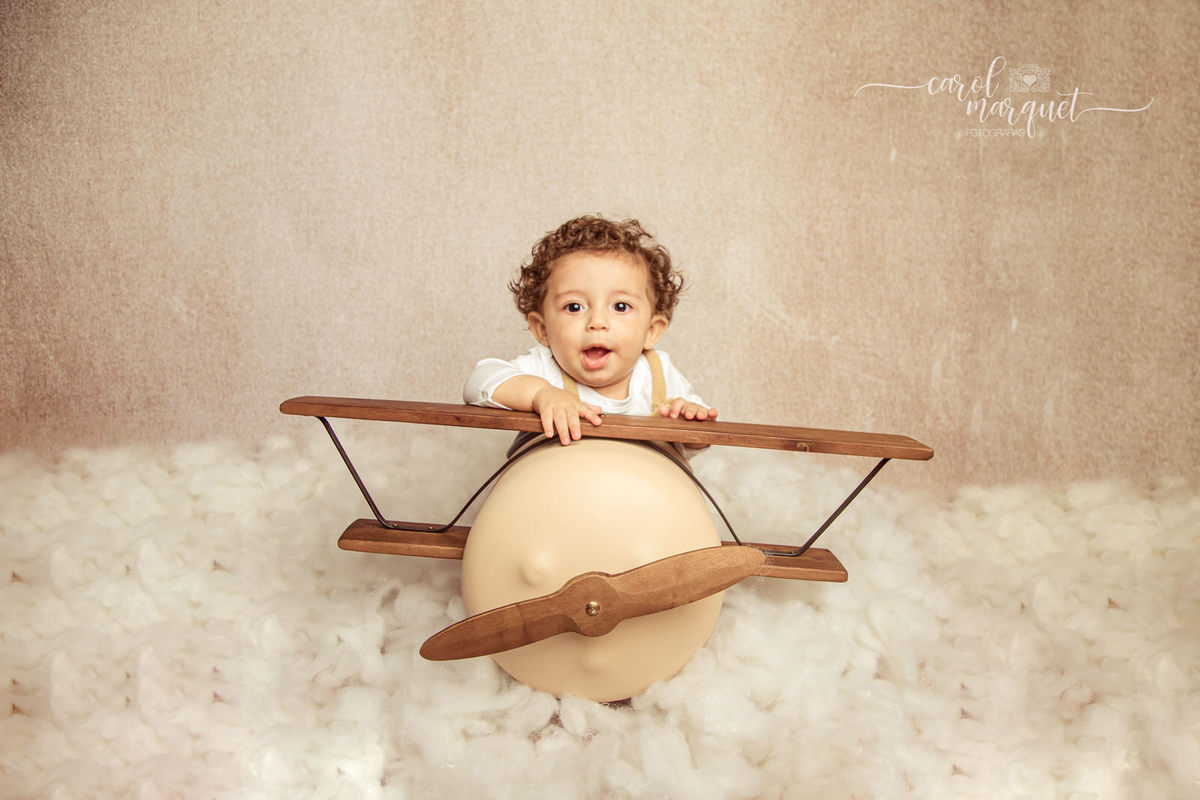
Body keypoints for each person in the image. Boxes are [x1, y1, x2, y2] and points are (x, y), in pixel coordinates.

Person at [464, 216, 717, 447]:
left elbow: (701, 435)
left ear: (652, 331)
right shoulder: (544, 369)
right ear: (542, 329)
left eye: (620, 306)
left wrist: (689, 423)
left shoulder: (659, 373)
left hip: (641, 491)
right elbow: (478, 381)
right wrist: (541, 394)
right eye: (574, 307)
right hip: (557, 489)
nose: (597, 321)